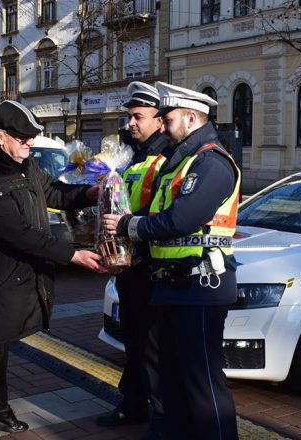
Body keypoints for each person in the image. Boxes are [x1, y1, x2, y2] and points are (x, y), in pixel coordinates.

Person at [0, 100, 106, 440]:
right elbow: (20, 234)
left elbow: (51, 190)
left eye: (32, 138)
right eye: (23, 138)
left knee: (3, 347)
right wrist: (73, 255)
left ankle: (0, 411)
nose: (30, 144)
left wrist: (89, 192)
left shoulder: (21, 161)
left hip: (15, 276)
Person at [102, 82, 241, 440]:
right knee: (173, 378)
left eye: (168, 118)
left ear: (191, 118)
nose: (162, 126)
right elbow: (159, 212)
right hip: (174, 285)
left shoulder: (211, 162)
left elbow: (181, 220)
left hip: (200, 286)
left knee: (202, 383)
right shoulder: (184, 161)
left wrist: (128, 225)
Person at [95, 82, 169, 439]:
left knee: (154, 347)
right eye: (129, 116)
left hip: (153, 265)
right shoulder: (129, 156)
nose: (132, 123)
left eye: (138, 116)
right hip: (127, 265)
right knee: (135, 340)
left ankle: (160, 414)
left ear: (160, 118)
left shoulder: (169, 156)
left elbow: (162, 212)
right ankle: (132, 403)